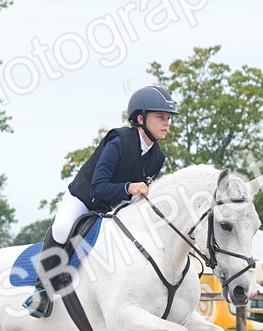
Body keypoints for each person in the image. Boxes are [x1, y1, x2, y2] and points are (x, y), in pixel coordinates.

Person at [24, 85, 178, 318]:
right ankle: (41, 290)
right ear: (140, 118)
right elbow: (98, 186)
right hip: (85, 198)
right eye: (160, 117)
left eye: (167, 118)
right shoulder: (118, 142)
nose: (166, 123)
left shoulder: (158, 157)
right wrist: (129, 187)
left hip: (113, 208)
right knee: (63, 227)